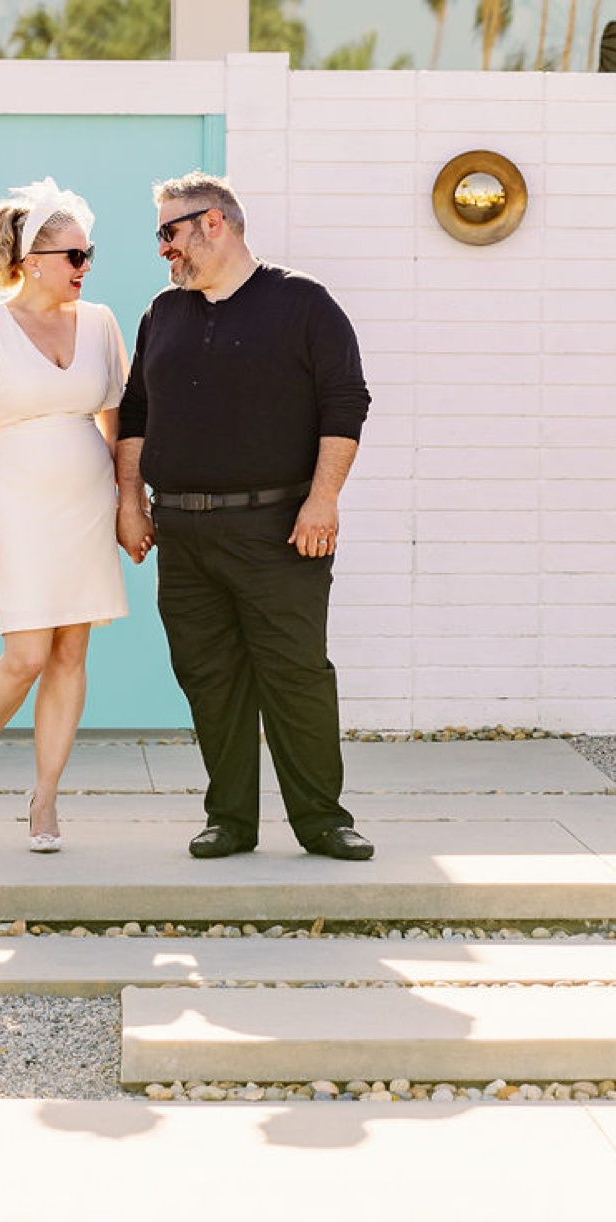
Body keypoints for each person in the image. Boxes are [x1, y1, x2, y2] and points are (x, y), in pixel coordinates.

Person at [115, 171, 374, 861]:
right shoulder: (161, 314)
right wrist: (129, 502)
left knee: (295, 675)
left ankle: (323, 821)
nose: (163, 248)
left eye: (169, 232)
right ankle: (229, 819)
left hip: (278, 529)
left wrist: (324, 499)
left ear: (215, 223)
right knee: (209, 678)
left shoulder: (302, 303)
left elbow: (345, 401)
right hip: (182, 533)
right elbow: (136, 413)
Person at [0, 178, 129, 854]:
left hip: (88, 502)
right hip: (15, 502)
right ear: (32, 260)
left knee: (71, 650)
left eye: (88, 254)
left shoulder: (100, 323)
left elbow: (119, 422)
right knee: (26, 654)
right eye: (75, 255)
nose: (85, 266)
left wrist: (130, 500)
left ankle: (45, 800)